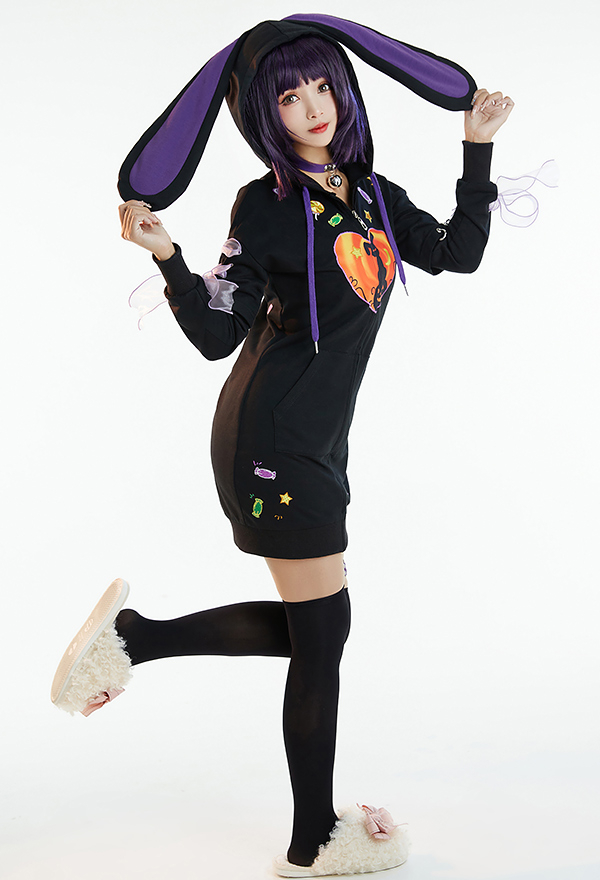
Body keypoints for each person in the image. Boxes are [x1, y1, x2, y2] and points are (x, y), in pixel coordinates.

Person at [51, 15, 513, 878]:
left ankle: (136, 640)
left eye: (322, 86)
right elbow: (215, 336)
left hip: (317, 440)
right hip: (269, 440)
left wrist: (476, 147)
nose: (312, 107)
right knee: (324, 636)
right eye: (289, 95)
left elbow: (459, 253)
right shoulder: (263, 206)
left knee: (323, 628)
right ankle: (312, 842)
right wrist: (169, 257)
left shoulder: (371, 193)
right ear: (263, 113)